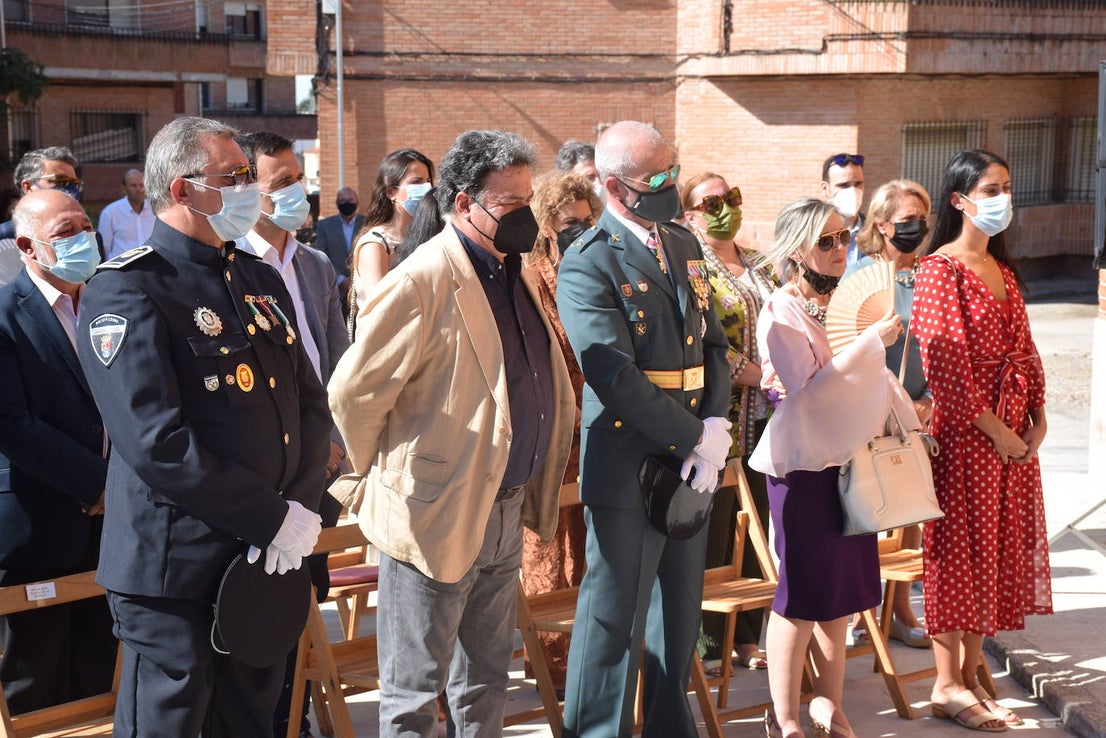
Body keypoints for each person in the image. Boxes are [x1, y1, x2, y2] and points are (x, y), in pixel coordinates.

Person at [75, 116, 331, 738]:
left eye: (249, 174)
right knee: (172, 726)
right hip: (176, 569)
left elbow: (307, 405)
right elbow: (156, 442)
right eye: (235, 176)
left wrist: (293, 511)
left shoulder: (256, 277)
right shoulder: (128, 289)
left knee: (253, 721)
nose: (249, 188)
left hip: (264, 560)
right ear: (184, 190)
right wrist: (271, 516)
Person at [328, 129, 574, 738]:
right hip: (432, 512)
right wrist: (380, 480)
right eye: (509, 204)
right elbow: (352, 393)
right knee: (415, 693)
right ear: (464, 203)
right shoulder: (421, 280)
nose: (524, 216)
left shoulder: (513, 271)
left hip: (504, 506)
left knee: (487, 679)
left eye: (527, 201)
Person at [556, 120, 732, 738]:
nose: (670, 185)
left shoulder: (682, 244)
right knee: (614, 619)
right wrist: (692, 436)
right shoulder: (588, 261)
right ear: (611, 185)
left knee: (679, 614)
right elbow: (612, 375)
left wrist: (714, 421)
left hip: (694, 455)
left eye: (673, 171)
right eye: (655, 178)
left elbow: (713, 343)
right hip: (631, 457)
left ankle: (667, 727)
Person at [749, 197, 915, 738]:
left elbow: (864, 381)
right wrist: (871, 343)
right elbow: (805, 387)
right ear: (797, 249)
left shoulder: (845, 301)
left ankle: (831, 706)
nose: (840, 248)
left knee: (840, 596)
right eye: (826, 240)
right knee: (797, 595)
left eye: (844, 236)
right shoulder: (782, 307)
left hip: (851, 465)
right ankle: (787, 717)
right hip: (802, 470)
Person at [912, 149, 1052, 732]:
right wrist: (997, 432)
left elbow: (1026, 348)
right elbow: (945, 369)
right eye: (991, 189)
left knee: (993, 553)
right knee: (959, 554)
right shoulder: (940, 269)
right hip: (969, 438)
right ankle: (947, 681)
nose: (1003, 199)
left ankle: (971, 670)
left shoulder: (1006, 271)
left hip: (1011, 437)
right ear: (959, 200)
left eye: (1007, 187)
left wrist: (1036, 420)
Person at [233, 130, 351, 738]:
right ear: (245, 188)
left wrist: (333, 441)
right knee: (260, 610)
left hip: (321, 460)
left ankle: (297, 715)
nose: (295, 193)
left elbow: (339, 360)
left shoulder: (316, 264)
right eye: (278, 183)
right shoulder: (231, 266)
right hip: (266, 466)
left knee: (309, 597)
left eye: (297, 179)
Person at [0, 189, 116, 715]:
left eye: (86, 226)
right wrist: (99, 485)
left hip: (112, 529)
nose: (84, 239)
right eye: (66, 233)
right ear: (27, 246)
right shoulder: (6, 315)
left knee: (101, 672)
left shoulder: (109, 302)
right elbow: (14, 426)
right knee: (35, 680)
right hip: (37, 527)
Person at [682, 172, 778, 673]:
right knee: (716, 528)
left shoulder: (761, 262)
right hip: (724, 415)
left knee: (758, 524)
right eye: (711, 201)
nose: (724, 207)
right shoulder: (692, 265)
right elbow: (699, 336)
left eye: (731, 197)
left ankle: (748, 634)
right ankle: (710, 643)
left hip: (770, 419)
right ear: (691, 212)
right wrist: (750, 372)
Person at [845, 179, 936, 651]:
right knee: (869, 508)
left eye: (922, 218)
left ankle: (899, 610)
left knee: (910, 513)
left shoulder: (933, 273)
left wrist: (931, 400)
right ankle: (863, 613)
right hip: (874, 408)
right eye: (906, 220)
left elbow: (947, 346)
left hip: (922, 409)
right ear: (880, 225)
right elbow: (848, 343)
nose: (916, 227)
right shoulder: (859, 275)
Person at [519, 170, 599, 693]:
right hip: (554, 432)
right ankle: (550, 666)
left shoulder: (593, 268)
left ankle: (585, 661)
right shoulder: (532, 275)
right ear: (547, 224)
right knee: (546, 550)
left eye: (587, 220)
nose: (580, 229)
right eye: (570, 222)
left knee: (588, 553)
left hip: (597, 429)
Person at [347, 149, 434, 335]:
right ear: (390, 192)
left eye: (428, 181)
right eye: (416, 182)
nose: (426, 189)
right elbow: (381, 308)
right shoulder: (375, 244)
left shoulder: (429, 237)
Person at [0, 147, 83, 286]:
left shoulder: (88, 236)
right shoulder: (4, 236)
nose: (71, 190)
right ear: (28, 187)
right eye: (60, 181)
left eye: (75, 184)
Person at [314, 186, 364, 297]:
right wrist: (340, 279)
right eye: (342, 201)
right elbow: (321, 254)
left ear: (357, 202)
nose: (346, 203)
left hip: (363, 285)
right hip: (335, 288)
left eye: (350, 200)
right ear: (337, 203)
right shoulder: (325, 225)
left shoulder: (368, 223)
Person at [98, 168, 156, 259]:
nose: (139, 189)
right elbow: (104, 249)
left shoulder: (155, 210)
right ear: (124, 189)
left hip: (151, 265)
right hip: (122, 270)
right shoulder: (110, 213)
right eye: (133, 185)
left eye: (142, 185)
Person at [819, 153, 865, 268]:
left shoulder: (875, 232)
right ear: (825, 189)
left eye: (858, 184)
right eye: (844, 185)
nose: (853, 191)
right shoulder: (812, 234)